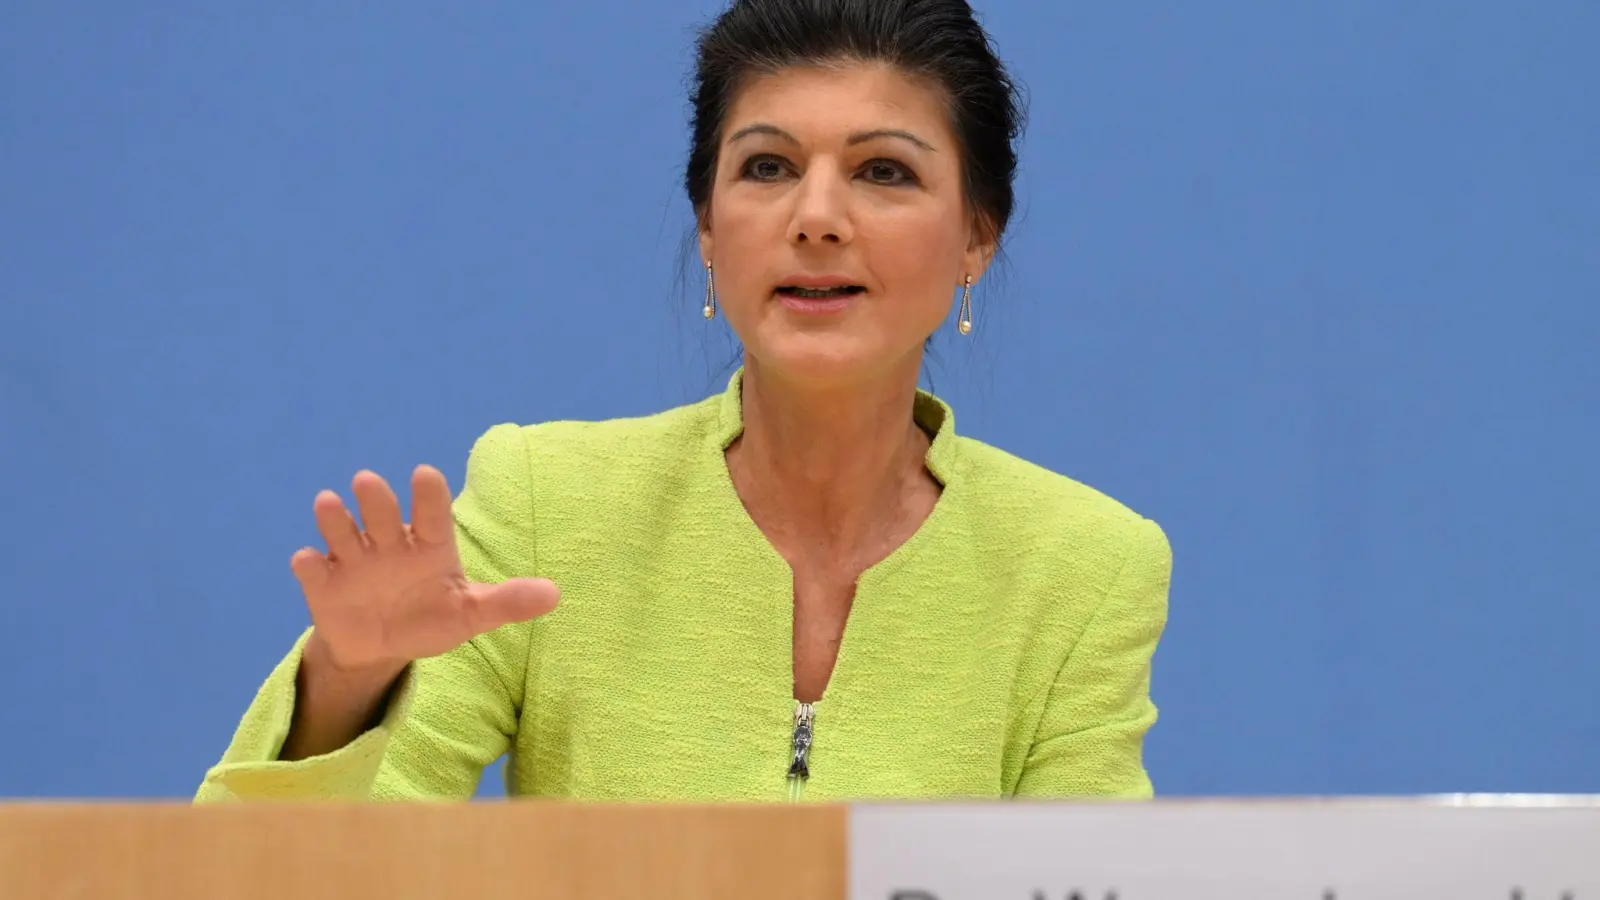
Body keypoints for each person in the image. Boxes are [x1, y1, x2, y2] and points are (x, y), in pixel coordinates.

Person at [196, 0, 1172, 804]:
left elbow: (1087, 877)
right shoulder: (548, 502)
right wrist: (345, 692)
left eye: (884, 172)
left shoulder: (1082, 569)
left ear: (974, 238)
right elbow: (287, 877)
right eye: (767, 167)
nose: (817, 219)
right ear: (708, 228)